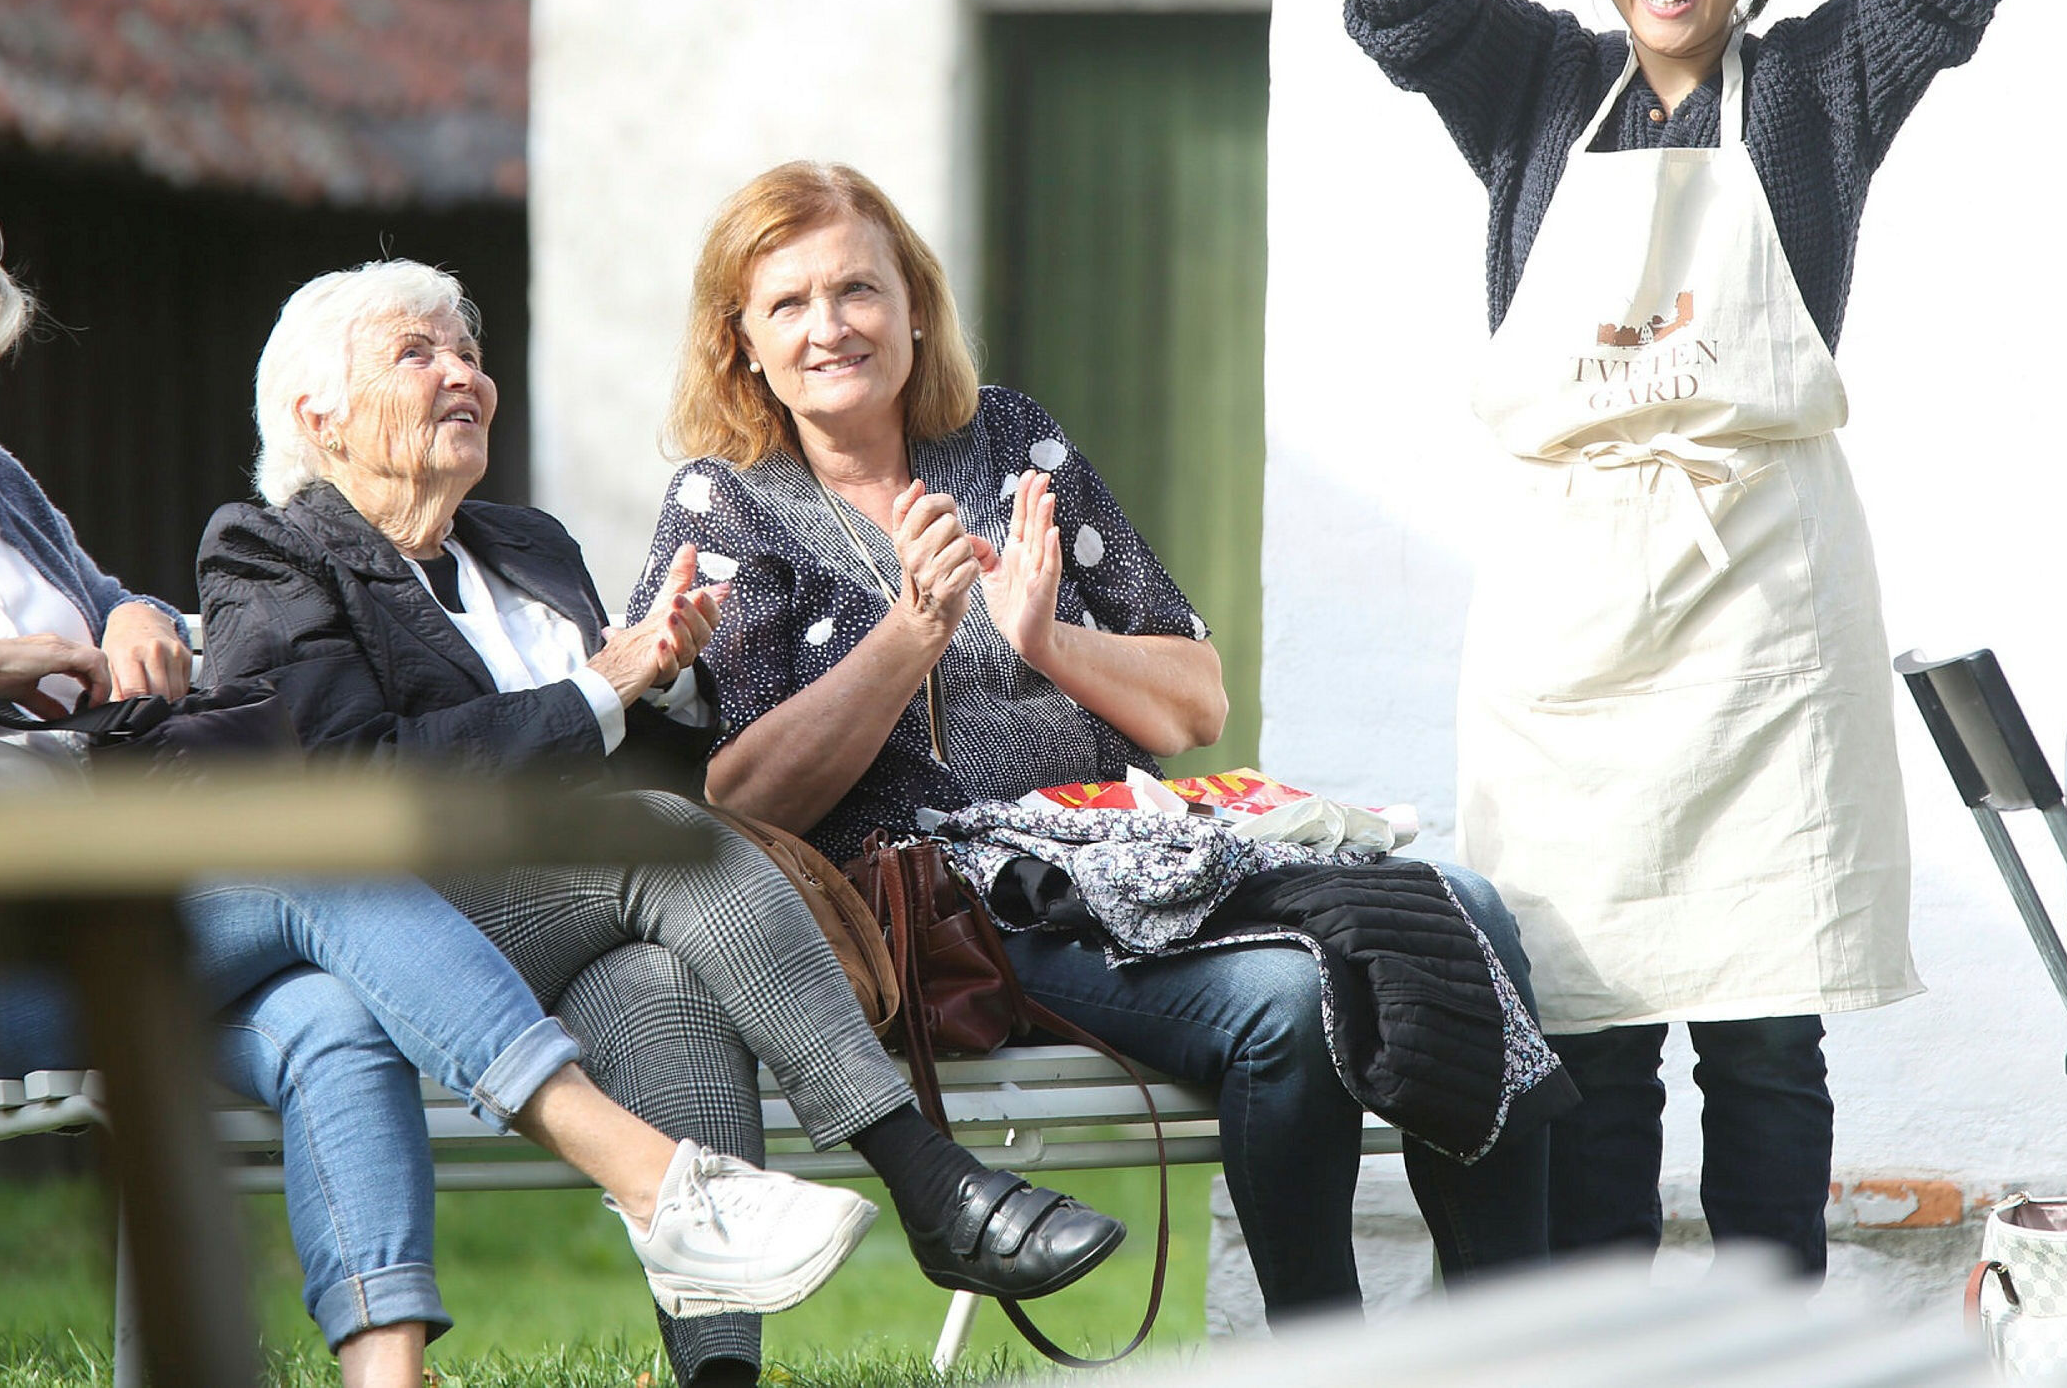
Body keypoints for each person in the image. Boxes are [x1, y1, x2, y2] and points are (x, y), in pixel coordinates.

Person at [0, 151, 880, 1388]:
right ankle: (654, 1181)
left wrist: (136, 612)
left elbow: (101, 599)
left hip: (96, 907)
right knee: (315, 865)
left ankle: (388, 1375)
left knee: (328, 1013)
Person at [1337, 0, 2023, 1276]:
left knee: (1768, 1039)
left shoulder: (1811, 93)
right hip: (1571, 631)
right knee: (1594, 1033)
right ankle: (1612, 1347)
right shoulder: (1532, 92)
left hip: (1766, 606)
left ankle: (1766, 1338)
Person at [636, 160, 1561, 1326]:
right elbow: (729, 795)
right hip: (956, 908)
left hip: (1142, 850)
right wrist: (911, 638)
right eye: (789, 305)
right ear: (744, 344)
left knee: (1466, 906)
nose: (831, 327)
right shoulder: (726, 506)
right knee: (1282, 1003)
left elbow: (1192, 704)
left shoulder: (1010, 440)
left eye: (857, 289)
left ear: (914, 304)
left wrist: (1047, 637)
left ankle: (1516, 1338)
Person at [196, 260, 1123, 1388]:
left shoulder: (523, 544)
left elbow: (653, 758)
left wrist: (672, 683)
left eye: (472, 355)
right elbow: (352, 781)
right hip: (405, 923)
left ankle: (718, 1375)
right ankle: (928, 1180)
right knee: (646, 841)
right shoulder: (268, 551)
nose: (466, 377)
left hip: (577, 909)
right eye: (418, 353)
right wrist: (601, 686)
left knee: (660, 979)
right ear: (316, 415)